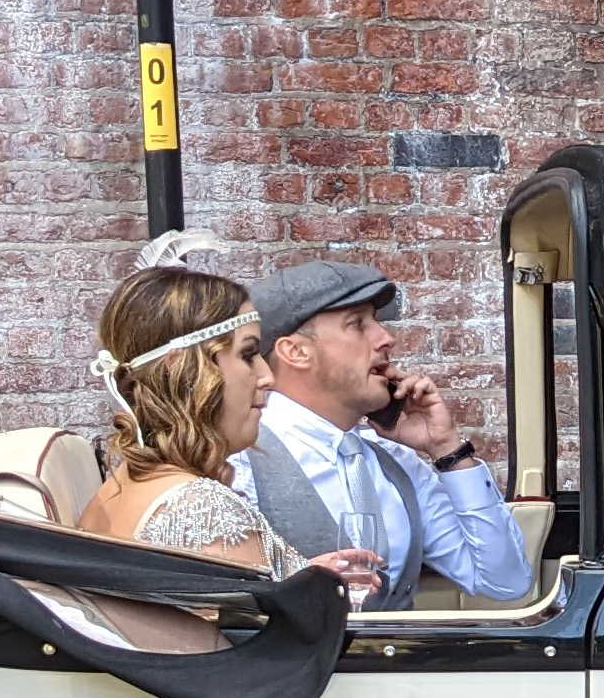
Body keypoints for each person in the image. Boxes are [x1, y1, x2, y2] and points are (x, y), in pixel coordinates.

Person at [72, 239, 384, 597]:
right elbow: (248, 632)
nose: (266, 376)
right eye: (248, 354)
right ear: (186, 371)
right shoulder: (199, 507)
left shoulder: (122, 486)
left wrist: (302, 578)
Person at [236, 259, 540, 611]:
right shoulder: (241, 460)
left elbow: (506, 582)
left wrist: (447, 449)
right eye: (357, 324)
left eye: (376, 322)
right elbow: (218, 603)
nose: (386, 339)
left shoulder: (395, 462)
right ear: (296, 352)